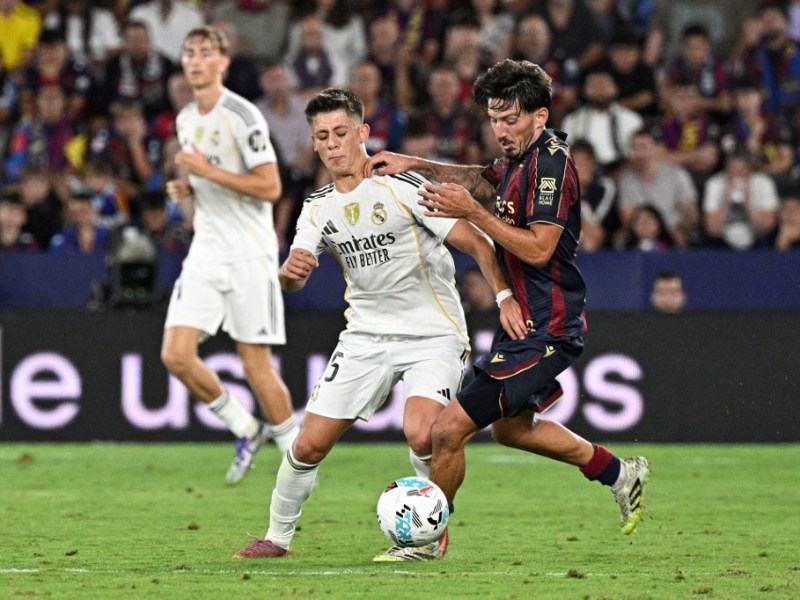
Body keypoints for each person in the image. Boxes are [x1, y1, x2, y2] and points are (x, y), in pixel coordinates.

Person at [365, 59, 650, 558]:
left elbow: (539, 248)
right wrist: (414, 164)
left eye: (511, 119)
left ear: (540, 117)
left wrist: (472, 213)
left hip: (549, 324)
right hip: (525, 319)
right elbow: (481, 178)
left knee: (447, 430)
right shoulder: (519, 157)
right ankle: (617, 472)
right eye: (494, 119)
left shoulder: (553, 167)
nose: (501, 130)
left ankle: (430, 539)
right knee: (511, 428)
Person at [232, 87, 526, 561]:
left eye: (341, 133)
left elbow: (476, 244)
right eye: (322, 136)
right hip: (365, 337)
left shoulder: (405, 186)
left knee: (423, 433)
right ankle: (276, 538)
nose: (332, 144)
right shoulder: (316, 207)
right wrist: (290, 275)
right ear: (314, 143)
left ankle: (431, 535)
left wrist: (505, 295)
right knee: (308, 445)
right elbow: (294, 273)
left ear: (363, 134)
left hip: (433, 333)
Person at [162, 26, 299, 485]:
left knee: (254, 363)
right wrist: (189, 185)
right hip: (206, 249)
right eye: (190, 53)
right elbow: (206, 182)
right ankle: (245, 427)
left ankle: (298, 462)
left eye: (206, 53)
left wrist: (206, 171)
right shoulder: (185, 119)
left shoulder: (242, 116)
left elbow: (271, 187)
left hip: (248, 252)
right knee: (176, 355)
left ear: (222, 62)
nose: (196, 60)